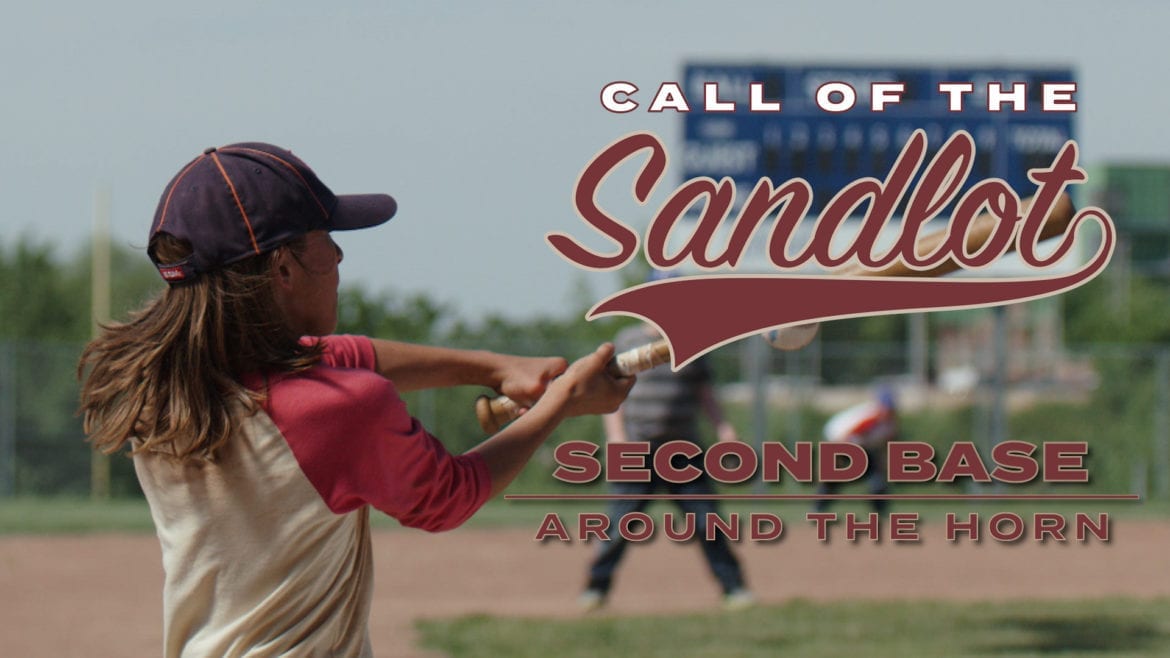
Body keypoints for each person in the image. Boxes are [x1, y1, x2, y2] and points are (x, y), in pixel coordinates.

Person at [77, 142, 634, 657]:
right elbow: (450, 498)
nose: (340, 256)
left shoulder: (167, 387)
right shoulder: (338, 408)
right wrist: (557, 406)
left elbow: (331, 355)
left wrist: (493, 368)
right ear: (284, 269)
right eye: (324, 240)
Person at [579, 319, 753, 612]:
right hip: (637, 450)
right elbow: (611, 392)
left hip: (684, 452)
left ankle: (734, 588)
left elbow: (705, 392)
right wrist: (616, 436)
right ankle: (596, 588)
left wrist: (723, 426)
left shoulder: (696, 342)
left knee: (707, 522)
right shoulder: (629, 340)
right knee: (620, 524)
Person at [812, 387, 900, 515]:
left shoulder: (891, 423)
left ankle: (881, 513)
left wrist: (882, 462)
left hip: (863, 447)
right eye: (886, 406)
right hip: (839, 440)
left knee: (877, 480)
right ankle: (818, 508)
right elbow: (844, 436)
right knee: (833, 478)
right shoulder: (871, 417)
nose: (888, 410)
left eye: (890, 407)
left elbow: (884, 444)